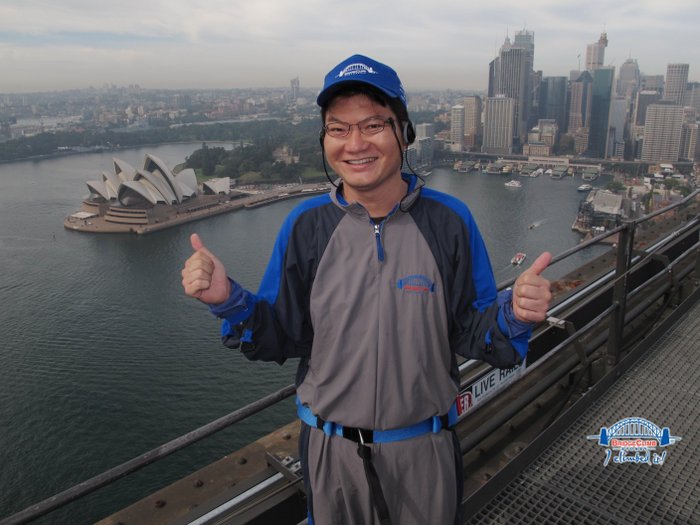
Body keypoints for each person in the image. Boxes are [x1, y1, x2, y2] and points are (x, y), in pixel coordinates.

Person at [181, 54, 552, 525]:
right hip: (331, 454)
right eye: (338, 129)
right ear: (325, 139)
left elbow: (473, 331)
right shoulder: (306, 226)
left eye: (374, 125)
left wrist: (516, 313)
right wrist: (227, 300)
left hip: (424, 451)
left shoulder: (449, 222)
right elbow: (280, 334)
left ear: (404, 132)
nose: (355, 144)